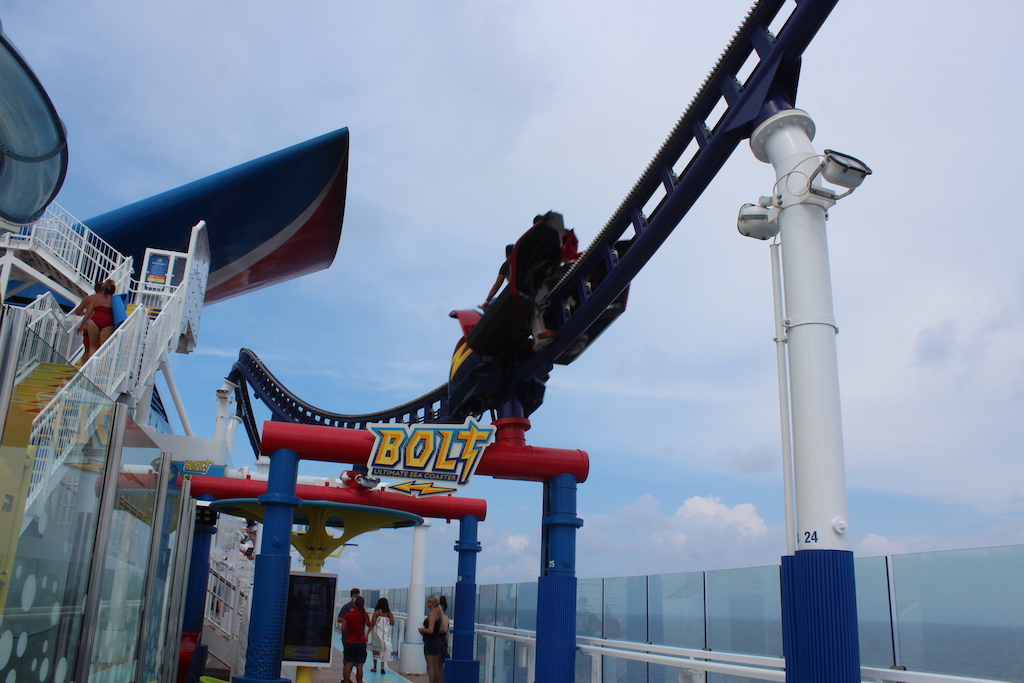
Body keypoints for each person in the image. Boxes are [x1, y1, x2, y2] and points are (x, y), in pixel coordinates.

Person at [73, 279, 116, 362]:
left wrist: (81, 323)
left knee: (89, 348)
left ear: (95, 289)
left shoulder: (90, 299)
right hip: (107, 323)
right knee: (102, 347)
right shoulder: (114, 299)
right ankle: (97, 368)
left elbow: (80, 312)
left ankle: (86, 369)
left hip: (90, 324)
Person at [340, 595, 370, 683]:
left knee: (348, 664)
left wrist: (350, 628)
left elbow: (343, 628)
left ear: (355, 604)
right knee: (359, 666)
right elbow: (369, 624)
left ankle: (346, 681)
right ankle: (359, 681)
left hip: (349, 641)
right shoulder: (365, 614)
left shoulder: (348, 614)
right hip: (361, 642)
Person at [418, 595, 445, 683]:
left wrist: (422, 630)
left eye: (428, 601)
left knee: (431, 666)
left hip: (431, 642)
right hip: (437, 642)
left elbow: (430, 630)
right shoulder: (438, 613)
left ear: (432, 603)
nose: (427, 603)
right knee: (435, 666)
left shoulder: (432, 614)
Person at [481, 244, 514, 311]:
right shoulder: (522, 262)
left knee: (491, 303)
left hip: (516, 291)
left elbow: (497, 285)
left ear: (507, 255)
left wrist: (487, 301)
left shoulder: (507, 264)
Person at [368, 597, 395, 673]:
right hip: (385, 633)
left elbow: (373, 623)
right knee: (384, 648)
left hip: (376, 633)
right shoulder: (389, 613)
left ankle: (375, 667)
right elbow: (392, 623)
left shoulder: (377, 612)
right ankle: (382, 667)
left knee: (376, 649)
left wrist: (367, 633)